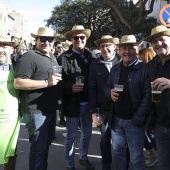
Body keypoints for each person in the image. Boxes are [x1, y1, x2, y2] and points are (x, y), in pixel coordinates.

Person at [14, 27, 62, 170]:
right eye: (43, 39)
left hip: (50, 110)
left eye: (50, 39)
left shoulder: (51, 56)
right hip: (36, 113)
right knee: (38, 150)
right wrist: (46, 83)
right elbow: (18, 82)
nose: (46, 42)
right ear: (36, 40)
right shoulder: (29, 56)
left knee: (45, 146)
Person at [104, 35, 151, 170]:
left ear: (136, 49)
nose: (127, 51)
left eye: (131, 48)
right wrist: (110, 92)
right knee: (118, 154)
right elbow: (106, 87)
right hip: (116, 120)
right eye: (124, 48)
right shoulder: (115, 68)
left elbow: (148, 96)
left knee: (136, 158)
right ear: (119, 51)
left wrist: (137, 119)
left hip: (134, 122)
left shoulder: (144, 68)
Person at [60, 25, 95, 170]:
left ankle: (83, 157)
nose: (79, 40)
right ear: (71, 40)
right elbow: (57, 81)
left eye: (82, 37)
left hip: (88, 104)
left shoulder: (90, 56)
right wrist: (70, 87)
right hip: (72, 103)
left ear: (85, 39)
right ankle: (70, 164)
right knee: (71, 136)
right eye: (76, 37)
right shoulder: (64, 58)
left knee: (87, 133)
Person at [88, 35, 120, 170]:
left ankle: (122, 165)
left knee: (121, 142)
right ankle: (106, 166)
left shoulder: (122, 61)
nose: (105, 48)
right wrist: (94, 112)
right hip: (104, 109)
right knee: (105, 140)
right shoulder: (95, 64)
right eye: (102, 46)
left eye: (108, 45)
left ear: (114, 47)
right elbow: (92, 88)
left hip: (122, 110)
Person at [145, 25, 170, 170]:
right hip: (160, 126)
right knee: (163, 165)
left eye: (162, 39)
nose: (158, 43)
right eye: (154, 41)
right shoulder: (152, 65)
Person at [0, 36, 20, 170]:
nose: (1, 49)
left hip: (11, 120)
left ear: (12, 50)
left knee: (11, 153)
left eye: (5, 46)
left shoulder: (18, 67)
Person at [138, 47, 158, 167]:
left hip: (150, 107)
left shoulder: (148, 69)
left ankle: (154, 154)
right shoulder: (152, 67)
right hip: (150, 106)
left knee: (148, 132)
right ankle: (152, 153)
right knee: (148, 132)